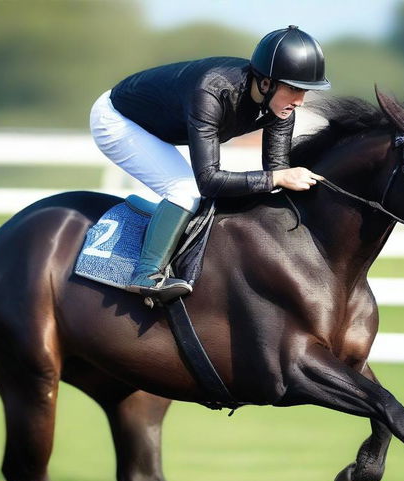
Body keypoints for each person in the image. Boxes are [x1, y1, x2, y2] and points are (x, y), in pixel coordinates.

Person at [90, 25, 330, 301]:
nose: (300, 101)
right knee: (186, 191)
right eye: (293, 89)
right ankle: (146, 275)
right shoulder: (212, 92)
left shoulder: (281, 106)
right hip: (118, 120)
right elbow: (209, 181)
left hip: (158, 124)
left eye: (305, 91)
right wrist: (278, 178)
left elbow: (277, 171)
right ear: (266, 83)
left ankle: (164, 235)